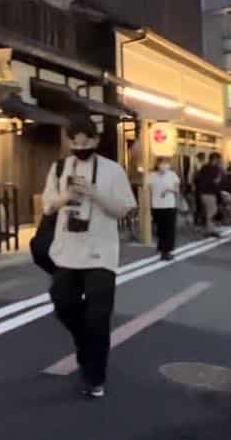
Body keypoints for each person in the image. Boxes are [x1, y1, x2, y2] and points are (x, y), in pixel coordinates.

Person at [42, 116, 138, 399]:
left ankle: (95, 378)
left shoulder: (112, 170)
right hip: (67, 252)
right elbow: (48, 207)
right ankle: (85, 344)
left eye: (85, 142)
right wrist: (66, 195)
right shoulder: (59, 167)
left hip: (101, 255)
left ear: (96, 141)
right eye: (74, 142)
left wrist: (95, 194)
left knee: (98, 319)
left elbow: (124, 209)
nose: (79, 147)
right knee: (63, 304)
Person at [149, 156, 180, 261]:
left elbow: (177, 189)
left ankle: (167, 251)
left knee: (169, 230)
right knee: (160, 230)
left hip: (169, 205)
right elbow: (147, 189)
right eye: (161, 163)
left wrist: (169, 189)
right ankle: (162, 250)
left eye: (166, 163)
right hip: (156, 206)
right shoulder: (152, 175)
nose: (164, 166)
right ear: (157, 165)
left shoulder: (172, 175)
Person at [194, 152, 223, 237]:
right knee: (212, 213)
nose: (220, 161)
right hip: (211, 193)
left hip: (202, 193)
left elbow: (197, 179)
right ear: (215, 159)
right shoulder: (216, 169)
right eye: (219, 159)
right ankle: (210, 231)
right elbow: (216, 182)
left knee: (208, 212)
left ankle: (209, 229)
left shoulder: (203, 167)